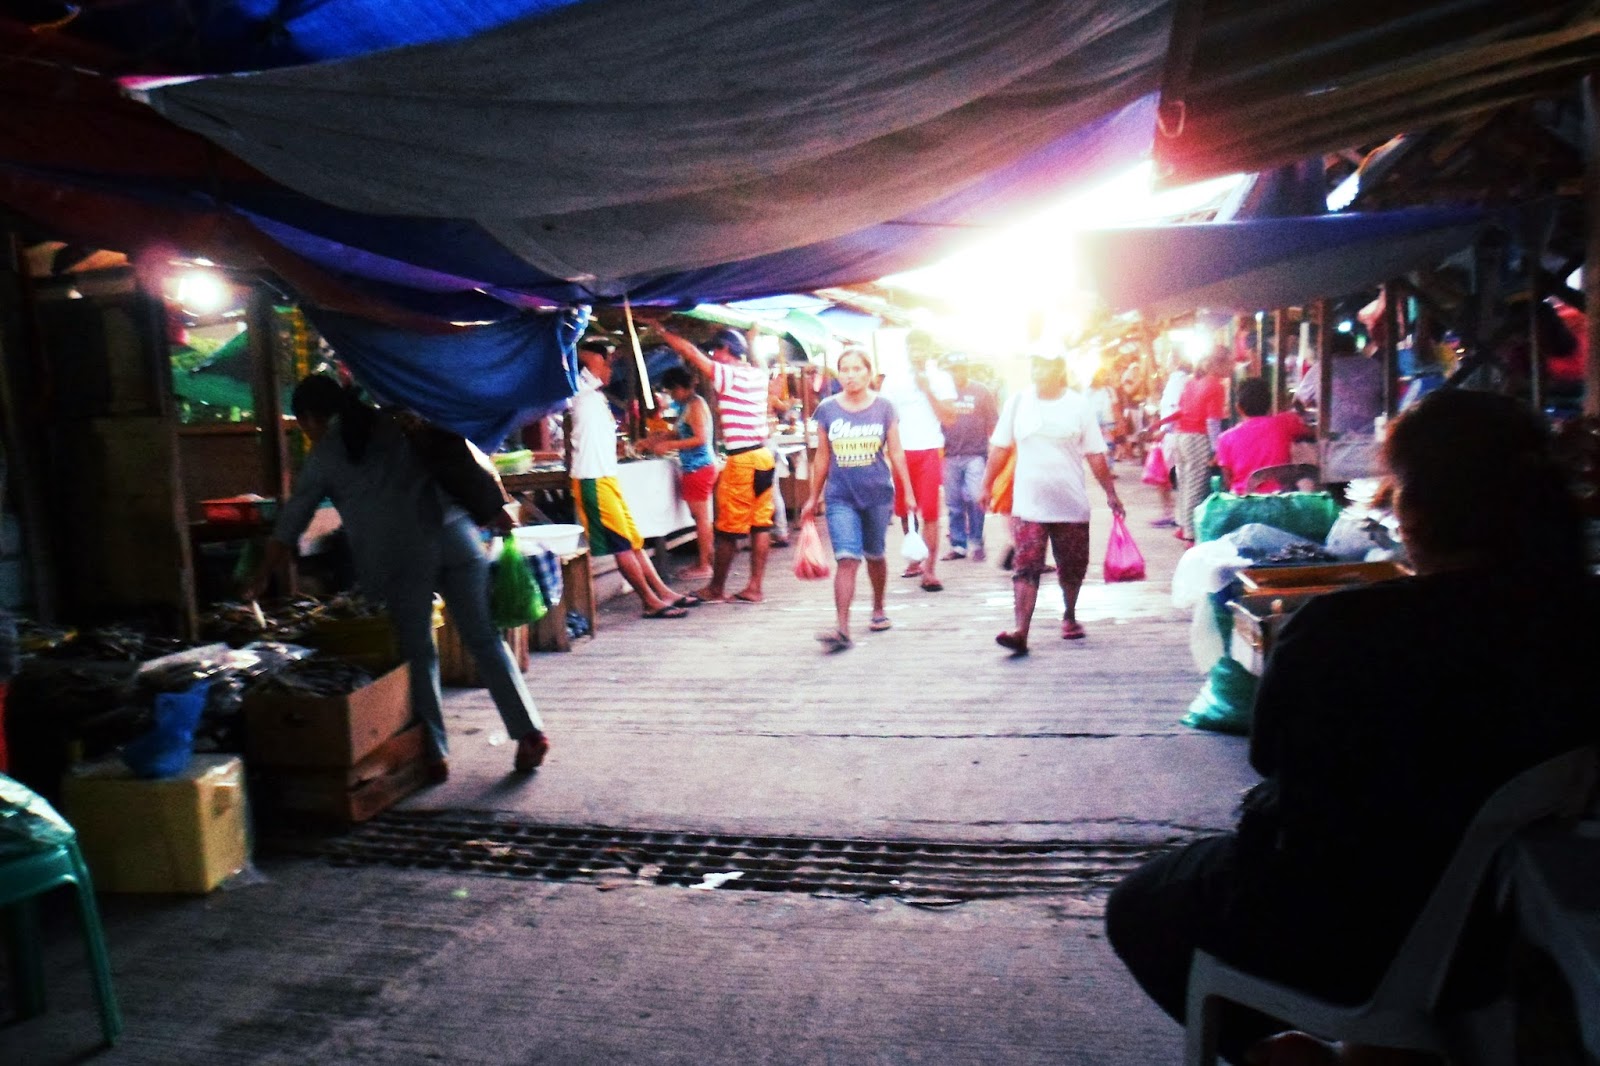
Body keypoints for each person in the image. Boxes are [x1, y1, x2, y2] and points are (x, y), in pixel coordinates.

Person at [1105, 389, 1600, 1066]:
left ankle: (1289, 1054)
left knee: (1141, 905)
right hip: (1496, 933)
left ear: (1418, 507)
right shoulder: (1577, 622)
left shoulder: (1347, 630)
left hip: (1339, 925)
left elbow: (1269, 754)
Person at [248, 375, 548, 781]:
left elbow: (292, 520)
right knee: (484, 639)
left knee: (418, 651)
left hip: (403, 555)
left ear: (311, 418)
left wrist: (261, 575)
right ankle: (528, 732)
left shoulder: (327, 453)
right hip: (458, 536)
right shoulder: (399, 420)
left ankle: (435, 753)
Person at [981, 351, 1123, 654]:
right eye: (1035, 364)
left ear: (1059, 369)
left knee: (1072, 565)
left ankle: (1070, 616)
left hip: (1070, 501)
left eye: (1045, 365)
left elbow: (1096, 454)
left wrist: (1110, 493)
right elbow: (1000, 448)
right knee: (1025, 565)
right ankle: (1020, 631)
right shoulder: (1018, 402)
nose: (1038, 371)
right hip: (1028, 502)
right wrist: (986, 484)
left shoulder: (1078, 405)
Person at [647, 322, 778, 603]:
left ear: (725, 349)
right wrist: (753, 340)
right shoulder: (758, 375)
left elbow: (691, 352)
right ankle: (755, 586)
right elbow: (755, 360)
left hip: (742, 458)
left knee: (727, 530)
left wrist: (661, 330)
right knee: (760, 525)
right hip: (764, 456)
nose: (713, 356)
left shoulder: (727, 374)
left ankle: (716, 588)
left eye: (716, 350)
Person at [799, 348, 914, 653]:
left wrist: (909, 493)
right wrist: (813, 497)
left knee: (875, 554)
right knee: (847, 559)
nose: (850, 375)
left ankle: (878, 608)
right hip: (840, 497)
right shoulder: (827, 409)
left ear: (868, 372)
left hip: (878, 494)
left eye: (856, 369)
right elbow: (822, 456)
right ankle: (842, 627)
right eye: (844, 370)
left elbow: (896, 452)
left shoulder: (885, 407)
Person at [570, 339, 694, 619]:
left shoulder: (596, 395)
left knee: (632, 540)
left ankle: (663, 593)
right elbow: (580, 356)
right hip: (592, 478)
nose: (610, 367)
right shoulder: (578, 390)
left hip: (606, 477)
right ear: (591, 365)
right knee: (622, 544)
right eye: (605, 362)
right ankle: (650, 601)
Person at [882, 331, 957, 591]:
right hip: (901, 451)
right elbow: (886, 416)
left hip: (929, 449)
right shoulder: (894, 378)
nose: (918, 352)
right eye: (914, 347)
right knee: (905, 510)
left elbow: (949, 418)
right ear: (908, 349)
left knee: (931, 512)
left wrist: (928, 390)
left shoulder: (941, 378)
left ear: (929, 348)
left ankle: (930, 571)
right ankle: (914, 557)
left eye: (923, 346)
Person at [645, 365, 716, 581]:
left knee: (702, 518)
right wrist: (654, 439)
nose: (671, 395)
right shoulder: (688, 405)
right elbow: (677, 432)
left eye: (671, 391)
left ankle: (705, 565)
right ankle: (704, 561)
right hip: (695, 467)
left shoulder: (695, 405)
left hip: (699, 466)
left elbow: (700, 439)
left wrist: (669, 445)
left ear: (679, 387)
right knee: (700, 517)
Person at [1159, 348, 1229, 543]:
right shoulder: (1216, 386)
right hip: (1199, 437)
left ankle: (1183, 526)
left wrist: (1164, 429)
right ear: (1218, 364)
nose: (1232, 367)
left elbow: (1180, 411)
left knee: (1185, 484)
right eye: (1229, 363)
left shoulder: (1191, 382)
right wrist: (1216, 449)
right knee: (1197, 487)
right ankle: (1191, 534)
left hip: (1182, 436)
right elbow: (1212, 422)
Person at [938, 352, 999, 562]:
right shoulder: (942, 393)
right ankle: (958, 545)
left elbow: (993, 422)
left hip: (975, 454)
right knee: (953, 504)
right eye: (953, 370)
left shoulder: (981, 391)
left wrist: (996, 450)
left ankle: (976, 540)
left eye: (961, 368)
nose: (957, 373)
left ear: (967, 369)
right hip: (949, 455)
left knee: (975, 498)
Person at [1214, 377, 1313, 494]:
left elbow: (1228, 481)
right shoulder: (1285, 422)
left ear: (1238, 408)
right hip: (1281, 500)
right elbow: (1311, 432)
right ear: (1269, 405)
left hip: (1243, 503)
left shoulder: (1225, 439)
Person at [1293, 330, 1384, 436]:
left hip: (1334, 436)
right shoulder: (1374, 365)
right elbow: (1386, 397)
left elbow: (1297, 402)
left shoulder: (1320, 368)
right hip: (1372, 435)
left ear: (1326, 348)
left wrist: (1307, 421)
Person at [1148, 355, 1190, 528]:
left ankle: (1173, 513)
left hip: (1172, 434)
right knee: (1175, 475)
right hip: (1174, 432)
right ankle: (1176, 513)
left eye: (1167, 361)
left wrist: (1163, 429)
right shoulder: (1181, 380)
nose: (1164, 364)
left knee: (1168, 475)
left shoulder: (1177, 381)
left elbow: (1175, 408)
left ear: (1175, 362)